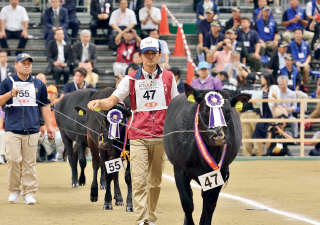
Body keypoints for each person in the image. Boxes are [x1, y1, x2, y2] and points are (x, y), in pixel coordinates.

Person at [87, 37, 179, 225]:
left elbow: (176, 104)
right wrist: (98, 104)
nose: (150, 56)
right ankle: (140, 220)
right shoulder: (130, 80)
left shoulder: (169, 77)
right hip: (137, 137)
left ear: (159, 55)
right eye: (147, 53)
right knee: (138, 181)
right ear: (140, 56)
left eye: (154, 53)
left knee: (155, 182)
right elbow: (111, 101)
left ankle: (151, 218)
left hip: (161, 137)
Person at [0, 53, 54, 204]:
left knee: (30, 162)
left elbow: (44, 106)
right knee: (13, 160)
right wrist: (9, 94)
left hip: (32, 130)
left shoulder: (39, 84)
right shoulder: (7, 82)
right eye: (23, 63)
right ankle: (14, 191)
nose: (26, 65)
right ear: (16, 65)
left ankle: (29, 193)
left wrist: (48, 126)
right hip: (12, 129)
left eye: (29, 63)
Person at [252, 72, 280, 155]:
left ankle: (272, 153)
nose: (261, 80)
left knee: (270, 131)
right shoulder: (260, 90)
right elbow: (256, 105)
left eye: (262, 78)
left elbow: (279, 101)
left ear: (267, 79)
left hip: (272, 113)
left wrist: (275, 97)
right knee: (258, 130)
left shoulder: (274, 88)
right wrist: (255, 102)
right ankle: (262, 153)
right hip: (263, 114)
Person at [38, 85, 64, 162]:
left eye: (52, 93)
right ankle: (51, 152)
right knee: (40, 136)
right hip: (45, 129)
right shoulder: (43, 105)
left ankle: (53, 152)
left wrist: (58, 128)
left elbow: (63, 120)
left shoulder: (60, 105)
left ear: (56, 95)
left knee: (61, 137)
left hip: (57, 129)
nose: (50, 94)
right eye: (48, 92)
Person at [238, 73, 261, 156]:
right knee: (256, 135)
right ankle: (258, 154)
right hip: (254, 114)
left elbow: (238, 105)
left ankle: (247, 155)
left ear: (245, 81)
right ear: (255, 81)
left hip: (243, 115)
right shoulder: (257, 90)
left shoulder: (241, 90)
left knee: (245, 136)